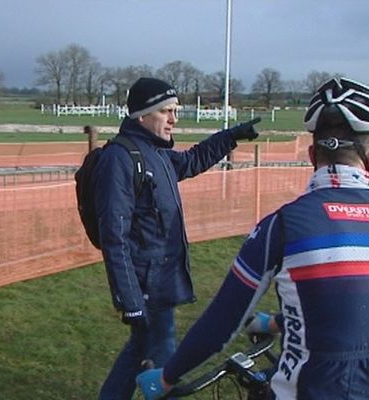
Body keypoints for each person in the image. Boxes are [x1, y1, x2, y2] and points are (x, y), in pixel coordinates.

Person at [136, 77, 369, 400]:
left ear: (312, 155)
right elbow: (353, 316)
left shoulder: (283, 226)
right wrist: (275, 323)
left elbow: (222, 322)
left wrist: (167, 377)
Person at [94, 77, 261, 400]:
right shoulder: (120, 158)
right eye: (166, 111)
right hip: (147, 286)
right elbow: (114, 238)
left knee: (139, 352)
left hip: (162, 280)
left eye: (175, 111)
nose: (174, 119)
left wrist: (230, 136)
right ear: (142, 115)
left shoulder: (156, 152)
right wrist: (129, 300)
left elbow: (191, 161)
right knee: (164, 365)